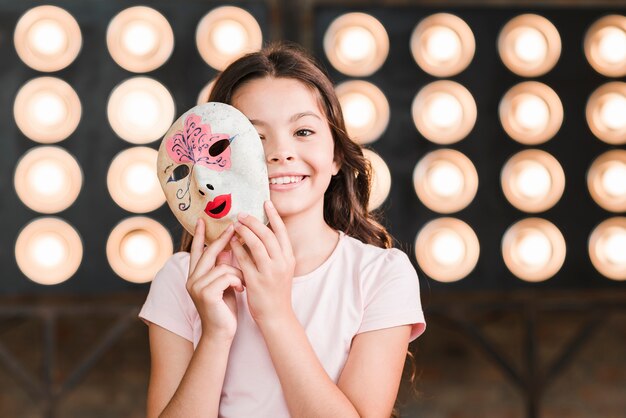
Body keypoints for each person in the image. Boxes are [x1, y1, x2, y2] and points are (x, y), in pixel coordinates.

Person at [139, 41, 426, 418]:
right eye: (254, 138)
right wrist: (215, 334)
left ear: (337, 154)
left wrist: (275, 313)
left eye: (303, 132)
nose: (280, 152)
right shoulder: (183, 280)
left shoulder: (380, 275)